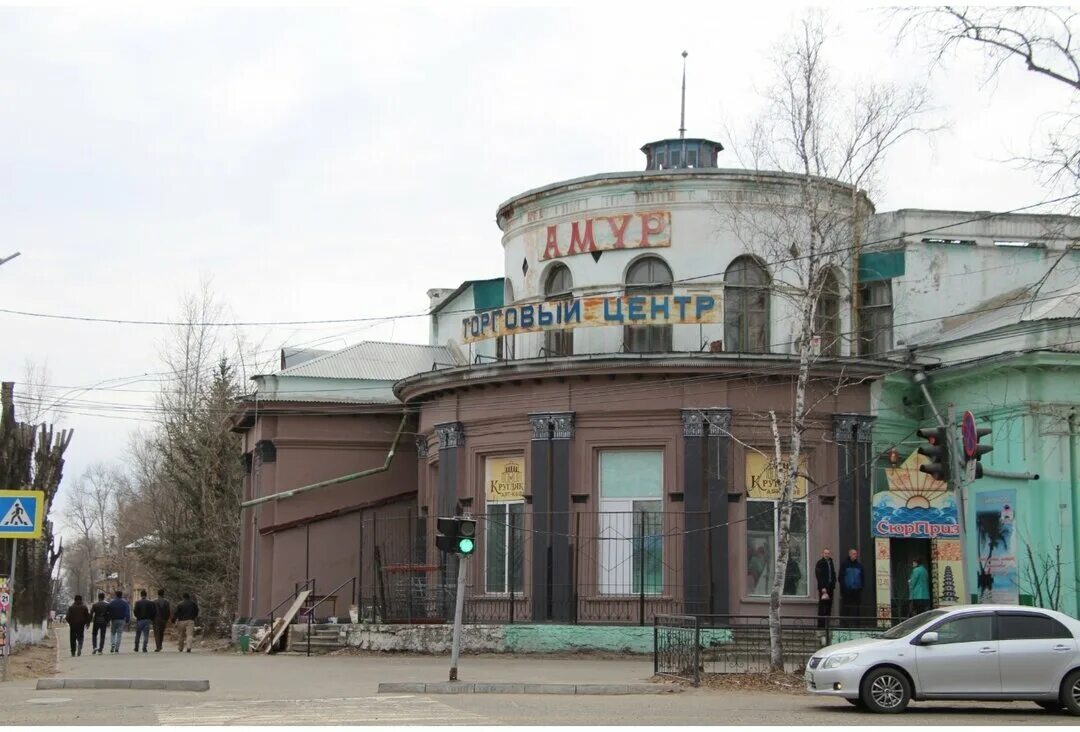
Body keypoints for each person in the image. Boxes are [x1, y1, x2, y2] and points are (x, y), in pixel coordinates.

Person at [839, 548, 865, 620]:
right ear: (850, 554)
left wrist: (861, 587)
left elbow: (862, 577)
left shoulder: (859, 565)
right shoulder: (844, 564)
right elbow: (840, 577)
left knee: (857, 608)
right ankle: (845, 623)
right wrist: (844, 588)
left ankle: (857, 623)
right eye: (854, 554)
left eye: (856, 554)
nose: (855, 555)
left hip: (857, 590)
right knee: (846, 607)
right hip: (847, 591)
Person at [814, 548, 837, 630]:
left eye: (828, 553)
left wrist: (833, 583)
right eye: (825, 553)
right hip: (823, 588)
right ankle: (821, 625)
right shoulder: (820, 563)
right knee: (822, 606)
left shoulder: (831, 562)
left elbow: (833, 573)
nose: (827, 555)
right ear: (822, 554)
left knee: (829, 606)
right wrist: (822, 587)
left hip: (830, 587)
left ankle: (827, 624)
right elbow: (819, 576)